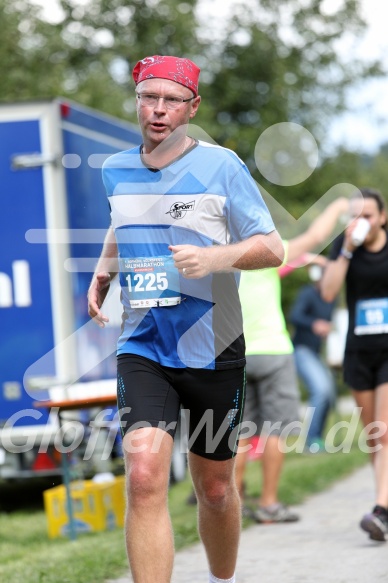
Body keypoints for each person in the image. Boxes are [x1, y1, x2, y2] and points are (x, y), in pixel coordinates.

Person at [87, 55, 284, 583]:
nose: (158, 109)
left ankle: (223, 577)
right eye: (149, 98)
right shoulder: (116, 169)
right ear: (137, 101)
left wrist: (215, 259)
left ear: (192, 107)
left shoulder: (222, 166)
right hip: (143, 342)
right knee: (145, 475)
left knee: (215, 488)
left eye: (172, 100)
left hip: (214, 342)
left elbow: (273, 247)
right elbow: (123, 219)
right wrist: (104, 272)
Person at [234, 197, 349, 523]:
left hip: (237, 354)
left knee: (239, 434)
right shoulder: (268, 254)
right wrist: (336, 206)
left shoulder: (221, 257)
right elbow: (313, 237)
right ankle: (269, 504)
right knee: (273, 430)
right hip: (273, 350)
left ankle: (235, 506)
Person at [321, 187, 388, 542]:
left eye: (368, 216)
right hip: (360, 351)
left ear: (383, 217)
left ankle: (380, 511)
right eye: (356, 216)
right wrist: (346, 248)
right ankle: (385, 504)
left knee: (386, 430)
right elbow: (329, 292)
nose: (362, 222)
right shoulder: (345, 247)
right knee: (375, 439)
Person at [289, 263, 336, 452]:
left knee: (330, 394)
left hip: (316, 352)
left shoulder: (331, 298)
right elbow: (295, 316)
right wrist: (314, 324)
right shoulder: (308, 293)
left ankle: (317, 438)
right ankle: (311, 442)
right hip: (301, 350)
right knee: (321, 390)